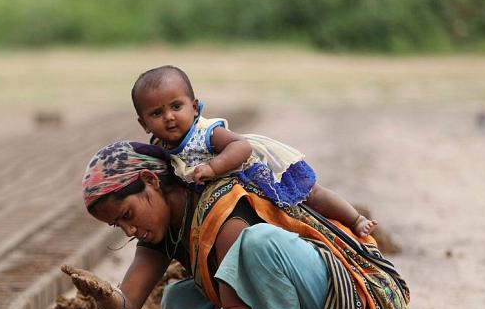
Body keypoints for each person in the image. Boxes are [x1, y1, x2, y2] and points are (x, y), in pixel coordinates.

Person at [64, 140, 416, 309]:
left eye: (128, 214)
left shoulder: (221, 209)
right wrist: (104, 296)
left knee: (256, 244)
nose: (129, 229)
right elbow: (126, 307)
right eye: (118, 226)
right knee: (180, 299)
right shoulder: (158, 233)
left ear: (150, 181)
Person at [131, 65, 377, 238]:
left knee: (309, 193)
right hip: (224, 196)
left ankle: (355, 219)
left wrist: (212, 167)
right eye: (156, 113)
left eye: (176, 106)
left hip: (253, 172)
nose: (169, 117)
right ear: (143, 123)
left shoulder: (205, 133)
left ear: (194, 108)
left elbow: (241, 146)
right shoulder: (159, 146)